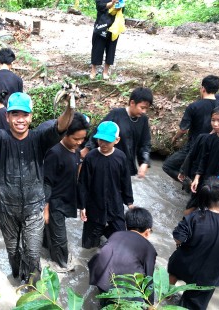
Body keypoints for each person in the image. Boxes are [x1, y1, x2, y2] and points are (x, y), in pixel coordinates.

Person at [0, 89, 75, 283]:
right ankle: (16, 280)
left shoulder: (40, 138)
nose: (20, 119)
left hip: (33, 209)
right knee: (13, 252)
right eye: (15, 114)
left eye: (25, 114)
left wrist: (70, 106)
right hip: (6, 209)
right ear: (7, 116)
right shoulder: (0, 138)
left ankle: (33, 290)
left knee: (32, 254)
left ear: (31, 116)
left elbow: (61, 125)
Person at [167, 177, 219, 310]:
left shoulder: (194, 216)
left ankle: (167, 292)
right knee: (193, 304)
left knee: (175, 267)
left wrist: (183, 243)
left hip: (185, 264)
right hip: (207, 276)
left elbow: (178, 237)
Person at [43, 112, 90, 270]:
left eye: (82, 139)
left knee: (52, 234)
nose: (79, 142)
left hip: (66, 199)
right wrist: (46, 210)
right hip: (54, 202)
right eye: (76, 139)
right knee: (61, 239)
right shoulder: (54, 153)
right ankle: (62, 266)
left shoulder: (75, 150)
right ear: (65, 134)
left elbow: (76, 176)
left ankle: (47, 250)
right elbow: (46, 183)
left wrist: (81, 204)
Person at [78, 121, 134, 249]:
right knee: (88, 247)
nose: (103, 144)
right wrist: (82, 206)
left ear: (117, 140)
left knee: (121, 239)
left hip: (115, 205)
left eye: (107, 141)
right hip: (94, 206)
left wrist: (129, 202)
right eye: (100, 140)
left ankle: (106, 236)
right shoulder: (91, 157)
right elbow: (83, 183)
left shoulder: (121, 157)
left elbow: (126, 181)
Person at [88, 207, 156, 308]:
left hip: (100, 277)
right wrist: (151, 305)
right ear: (147, 231)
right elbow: (148, 281)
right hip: (121, 290)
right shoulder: (149, 249)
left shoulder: (116, 234)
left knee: (106, 302)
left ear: (126, 225)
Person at [81, 87, 153, 178]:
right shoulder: (116, 114)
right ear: (132, 103)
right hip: (107, 161)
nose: (144, 111)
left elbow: (145, 143)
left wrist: (144, 162)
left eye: (146, 109)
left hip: (126, 165)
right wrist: (87, 148)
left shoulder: (143, 120)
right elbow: (98, 132)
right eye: (142, 108)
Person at [163, 75, 219, 182]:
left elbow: (183, 129)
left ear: (203, 88)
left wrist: (175, 138)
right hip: (214, 147)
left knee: (167, 165)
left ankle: (188, 183)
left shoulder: (194, 106)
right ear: (217, 89)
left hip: (194, 146)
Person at [90, 0, 121, 80]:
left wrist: (119, 6)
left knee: (111, 48)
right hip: (101, 24)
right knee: (97, 47)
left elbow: (121, 9)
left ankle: (105, 71)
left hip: (114, 25)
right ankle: (93, 71)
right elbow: (100, 7)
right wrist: (112, 3)